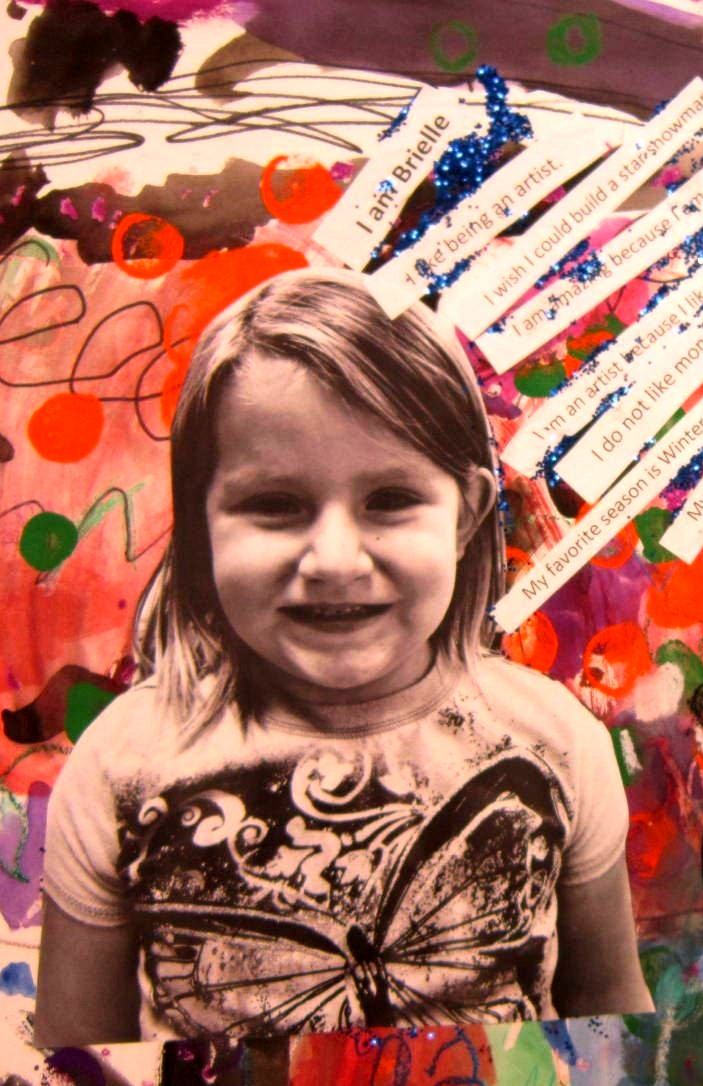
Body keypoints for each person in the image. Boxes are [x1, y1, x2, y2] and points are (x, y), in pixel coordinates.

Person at [34, 266, 652, 1045]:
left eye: (389, 500)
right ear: (200, 520)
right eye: (275, 505)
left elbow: (611, 1024)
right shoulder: (125, 765)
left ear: (466, 514)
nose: (333, 560)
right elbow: (76, 1057)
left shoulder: (555, 743)